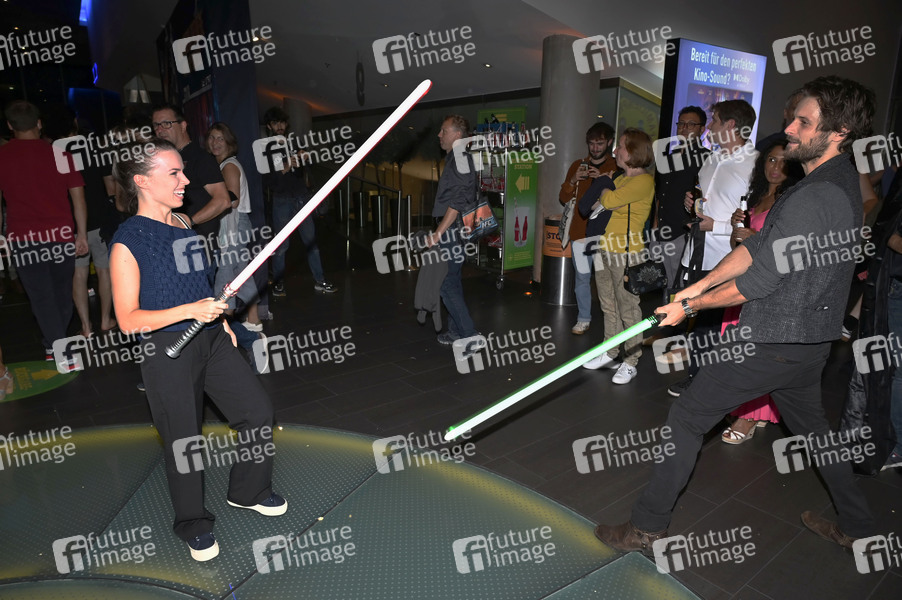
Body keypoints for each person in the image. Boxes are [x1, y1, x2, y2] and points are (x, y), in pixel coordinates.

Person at [595, 76, 878, 554]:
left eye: (804, 122)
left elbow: (759, 280)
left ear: (839, 132)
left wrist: (688, 306)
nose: (789, 129)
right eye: (793, 118)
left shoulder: (816, 195)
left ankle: (646, 527)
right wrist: (697, 287)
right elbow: (758, 247)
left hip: (772, 339)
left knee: (687, 416)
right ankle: (858, 525)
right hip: (809, 343)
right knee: (813, 431)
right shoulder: (835, 181)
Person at [109, 139, 286, 562]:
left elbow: (198, 285)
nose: (186, 180)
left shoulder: (183, 223)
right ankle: (192, 522)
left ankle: (248, 491)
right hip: (167, 349)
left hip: (211, 338)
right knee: (184, 442)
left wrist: (220, 322)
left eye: (183, 171)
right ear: (142, 182)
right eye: (174, 173)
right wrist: (191, 311)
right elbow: (128, 320)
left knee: (257, 412)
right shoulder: (127, 242)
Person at [667, 100, 758, 397]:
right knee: (699, 319)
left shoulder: (756, 164)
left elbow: (756, 221)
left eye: (714, 120)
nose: (709, 127)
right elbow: (707, 201)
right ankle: (696, 379)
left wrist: (715, 226)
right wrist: (691, 204)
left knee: (724, 326)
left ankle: (716, 387)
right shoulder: (712, 159)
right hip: (697, 251)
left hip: (730, 257)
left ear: (730, 125)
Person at [720, 139, 803, 443]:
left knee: (753, 353)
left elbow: (788, 249)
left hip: (766, 285)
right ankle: (752, 409)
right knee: (735, 349)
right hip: (743, 281)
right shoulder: (756, 198)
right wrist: (737, 231)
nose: (775, 167)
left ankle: (747, 417)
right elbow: (738, 248)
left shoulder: (791, 200)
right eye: (770, 160)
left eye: (783, 161)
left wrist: (753, 234)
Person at [0, 100, 88, 360]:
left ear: (10, 126)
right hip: (60, 235)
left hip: (23, 238)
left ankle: (55, 343)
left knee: (41, 296)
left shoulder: (2, 157)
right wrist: (81, 234)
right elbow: (79, 199)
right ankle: (57, 344)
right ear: (39, 123)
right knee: (61, 293)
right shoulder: (62, 155)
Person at [579, 128, 655, 384]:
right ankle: (610, 352)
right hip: (604, 248)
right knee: (608, 305)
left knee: (628, 309)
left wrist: (605, 189)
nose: (615, 151)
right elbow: (598, 203)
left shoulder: (643, 181)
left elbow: (608, 201)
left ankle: (631, 361)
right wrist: (607, 191)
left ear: (633, 151)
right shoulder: (621, 178)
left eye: (620, 146)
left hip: (626, 254)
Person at [261, 107, 336, 296]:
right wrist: (287, 165)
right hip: (282, 200)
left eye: (282, 122)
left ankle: (320, 280)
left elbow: (302, 173)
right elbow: (269, 180)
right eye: (275, 123)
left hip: (301, 197)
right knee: (281, 246)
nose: (279, 126)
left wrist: (303, 158)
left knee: (311, 242)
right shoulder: (265, 148)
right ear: (269, 126)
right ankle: (279, 283)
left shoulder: (292, 143)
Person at [558, 122, 617, 335]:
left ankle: (613, 320)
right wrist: (573, 180)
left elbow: (620, 199)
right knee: (582, 278)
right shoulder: (578, 165)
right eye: (591, 143)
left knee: (608, 279)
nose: (595, 148)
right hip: (581, 232)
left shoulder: (616, 166)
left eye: (599, 143)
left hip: (606, 233)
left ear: (609, 142)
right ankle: (583, 318)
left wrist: (601, 179)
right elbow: (563, 197)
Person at [428, 115, 479, 345]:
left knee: (446, 284)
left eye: (444, 131)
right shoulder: (456, 158)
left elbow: (457, 202)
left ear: (458, 135)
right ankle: (456, 332)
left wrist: (438, 233)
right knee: (453, 281)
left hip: (451, 232)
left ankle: (470, 336)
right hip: (455, 230)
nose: (439, 135)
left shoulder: (459, 158)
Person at [206, 122, 262, 333]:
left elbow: (234, 200)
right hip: (237, 223)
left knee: (225, 272)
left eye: (220, 138)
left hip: (235, 223)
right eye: (212, 138)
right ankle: (254, 319)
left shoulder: (229, 165)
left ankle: (224, 324)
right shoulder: (223, 165)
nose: (215, 142)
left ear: (229, 142)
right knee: (239, 272)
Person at [151, 104, 231, 248]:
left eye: (166, 124)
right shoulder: (165, 159)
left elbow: (223, 200)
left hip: (197, 242)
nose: (160, 130)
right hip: (173, 240)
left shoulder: (200, 158)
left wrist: (187, 222)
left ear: (183, 126)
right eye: (156, 125)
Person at [652, 107, 711, 292]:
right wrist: (654, 227)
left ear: (702, 129)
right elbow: (661, 194)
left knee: (680, 287)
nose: (684, 128)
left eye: (691, 124)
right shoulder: (669, 157)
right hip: (661, 230)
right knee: (663, 285)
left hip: (683, 233)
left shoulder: (706, 158)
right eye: (681, 124)